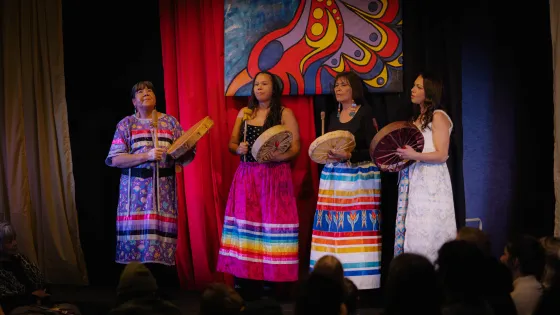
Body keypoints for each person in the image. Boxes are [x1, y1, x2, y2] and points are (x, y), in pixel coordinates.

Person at [216, 71, 301, 300]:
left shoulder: (285, 113)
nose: (259, 87)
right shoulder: (245, 114)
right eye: (256, 84)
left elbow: (295, 147)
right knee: (247, 228)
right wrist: (238, 149)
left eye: (265, 84)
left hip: (274, 176)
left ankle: (271, 285)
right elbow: (232, 144)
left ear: (275, 89)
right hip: (247, 177)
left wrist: (279, 157)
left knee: (271, 227)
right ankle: (246, 281)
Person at [105, 81, 195, 268]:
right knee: (135, 255)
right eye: (140, 91)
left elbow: (183, 156)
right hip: (134, 196)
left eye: (150, 90)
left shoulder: (170, 122)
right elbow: (115, 159)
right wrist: (146, 155)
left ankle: (160, 287)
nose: (146, 92)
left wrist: (189, 146)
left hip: (162, 194)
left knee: (160, 250)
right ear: (133, 102)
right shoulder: (126, 124)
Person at [309, 71, 382, 290]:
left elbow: (374, 149)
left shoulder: (365, 112)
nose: (338, 89)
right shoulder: (332, 115)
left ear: (354, 90)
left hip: (358, 180)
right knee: (334, 231)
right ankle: (332, 280)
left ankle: (361, 283)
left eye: (343, 85)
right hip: (334, 180)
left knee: (356, 229)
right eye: (336, 86)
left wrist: (349, 156)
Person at [393, 72, 456, 263]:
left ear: (430, 92)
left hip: (431, 181)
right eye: (414, 85)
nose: (412, 90)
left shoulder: (438, 116)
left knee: (429, 229)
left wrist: (414, 155)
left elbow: (442, 154)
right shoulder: (416, 119)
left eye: (419, 87)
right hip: (415, 179)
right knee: (413, 229)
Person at [0, 221, 81, 315]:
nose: (15, 243)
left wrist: (42, 294)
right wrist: (33, 296)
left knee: (72, 309)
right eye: (9, 242)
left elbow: (38, 280)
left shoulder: (20, 259)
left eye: (14, 239)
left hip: (37, 303)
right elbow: (7, 300)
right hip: (18, 307)